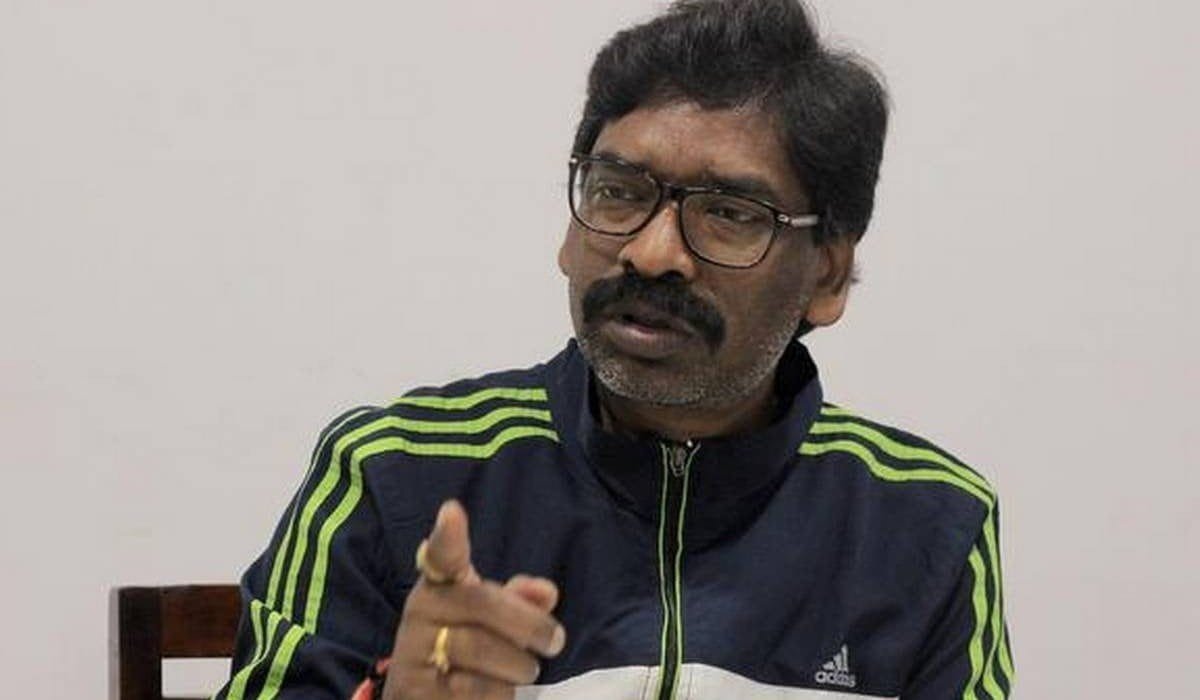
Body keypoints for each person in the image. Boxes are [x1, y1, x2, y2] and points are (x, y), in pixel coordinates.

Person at [214, 1, 1013, 698]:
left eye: (728, 213)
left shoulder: (926, 525)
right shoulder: (394, 472)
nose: (652, 253)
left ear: (827, 275)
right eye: (619, 192)